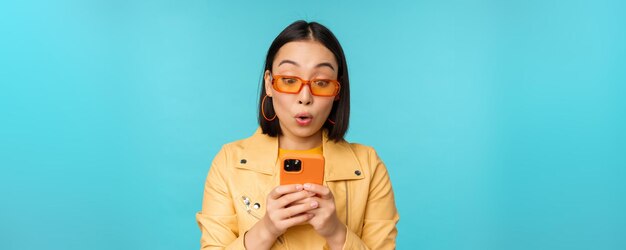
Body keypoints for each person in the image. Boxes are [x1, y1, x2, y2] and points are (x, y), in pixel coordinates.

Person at [196, 20, 399, 250]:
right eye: (290, 80)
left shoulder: (368, 166)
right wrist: (267, 229)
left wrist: (335, 232)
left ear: (337, 91)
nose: (305, 96)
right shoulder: (229, 162)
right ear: (269, 84)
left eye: (321, 82)